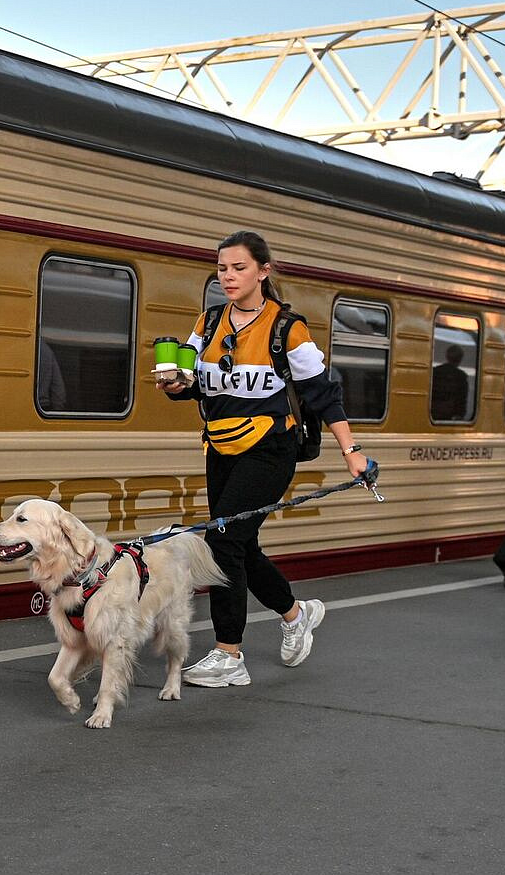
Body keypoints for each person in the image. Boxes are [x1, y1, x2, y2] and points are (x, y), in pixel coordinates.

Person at [158, 231, 370, 688]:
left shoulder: (286, 329)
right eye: (221, 268)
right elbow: (197, 382)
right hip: (220, 446)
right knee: (240, 544)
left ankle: (228, 654)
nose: (228, 277)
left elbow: (323, 396)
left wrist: (352, 452)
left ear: (263, 271)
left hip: (271, 449)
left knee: (222, 543)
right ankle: (296, 614)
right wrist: (178, 385)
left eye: (238, 268)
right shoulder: (208, 323)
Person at [429, 344, 470, 422]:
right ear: (460, 359)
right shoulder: (461, 377)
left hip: (433, 412)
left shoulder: (435, 372)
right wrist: (460, 415)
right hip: (449, 416)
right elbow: (462, 400)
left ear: (447, 356)